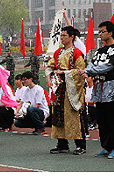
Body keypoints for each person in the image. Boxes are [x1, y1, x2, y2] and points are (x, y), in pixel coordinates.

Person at [83, 21, 114, 159]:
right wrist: (88, 70)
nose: (100, 34)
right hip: (99, 87)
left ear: (110, 33)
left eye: (102, 31)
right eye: (99, 31)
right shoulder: (100, 51)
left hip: (111, 86)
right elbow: (92, 63)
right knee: (102, 117)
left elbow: (109, 66)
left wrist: (89, 71)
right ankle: (106, 146)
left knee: (113, 117)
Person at [46, 26, 87, 155]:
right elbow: (49, 66)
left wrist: (64, 73)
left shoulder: (77, 53)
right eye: (61, 35)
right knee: (58, 116)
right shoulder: (58, 52)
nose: (62, 38)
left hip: (71, 89)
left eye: (64, 35)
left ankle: (80, 145)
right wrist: (49, 78)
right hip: (59, 89)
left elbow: (80, 71)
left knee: (74, 115)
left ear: (72, 37)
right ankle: (62, 144)